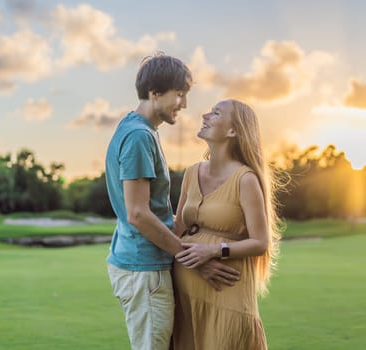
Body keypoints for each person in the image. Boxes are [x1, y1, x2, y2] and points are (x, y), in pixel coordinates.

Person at [105, 55, 240, 350]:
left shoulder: (136, 129)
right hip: (145, 269)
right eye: (179, 94)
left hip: (143, 265)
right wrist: (192, 259)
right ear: (155, 93)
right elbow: (138, 213)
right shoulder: (139, 136)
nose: (184, 104)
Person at [172, 99, 282, 350]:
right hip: (186, 295)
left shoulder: (245, 179)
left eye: (216, 113)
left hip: (226, 292)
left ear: (233, 131)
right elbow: (178, 227)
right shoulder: (191, 173)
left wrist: (213, 251)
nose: (205, 115)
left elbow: (260, 242)